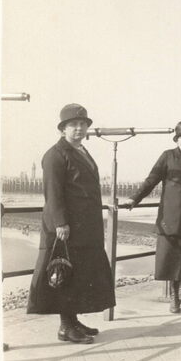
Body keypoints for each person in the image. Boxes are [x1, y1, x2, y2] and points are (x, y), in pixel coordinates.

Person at [27, 104, 116, 343]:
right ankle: (66, 326)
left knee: (78, 274)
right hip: (67, 228)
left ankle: (73, 321)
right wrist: (61, 223)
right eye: (73, 124)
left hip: (84, 228)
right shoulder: (55, 155)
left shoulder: (81, 151)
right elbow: (53, 193)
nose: (79, 128)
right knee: (64, 273)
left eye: (83, 124)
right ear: (63, 129)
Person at [124, 120, 181, 313]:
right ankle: (174, 297)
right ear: (177, 139)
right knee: (175, 259)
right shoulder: (168, 156)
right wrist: (134, 198)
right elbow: (151, 180)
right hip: (174, 215)